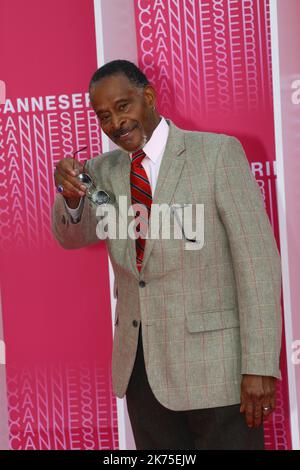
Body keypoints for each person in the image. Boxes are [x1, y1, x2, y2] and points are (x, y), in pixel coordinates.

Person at [52, 60, 282, 450]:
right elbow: (72, 237)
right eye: (104, 116)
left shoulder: (216, 155)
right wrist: (71, 198)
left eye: (123, 106)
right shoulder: (100, 171)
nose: (116, 123)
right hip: (141, 374)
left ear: (149, 96)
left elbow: (257, 265)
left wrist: (259, 364)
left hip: (218, 375)